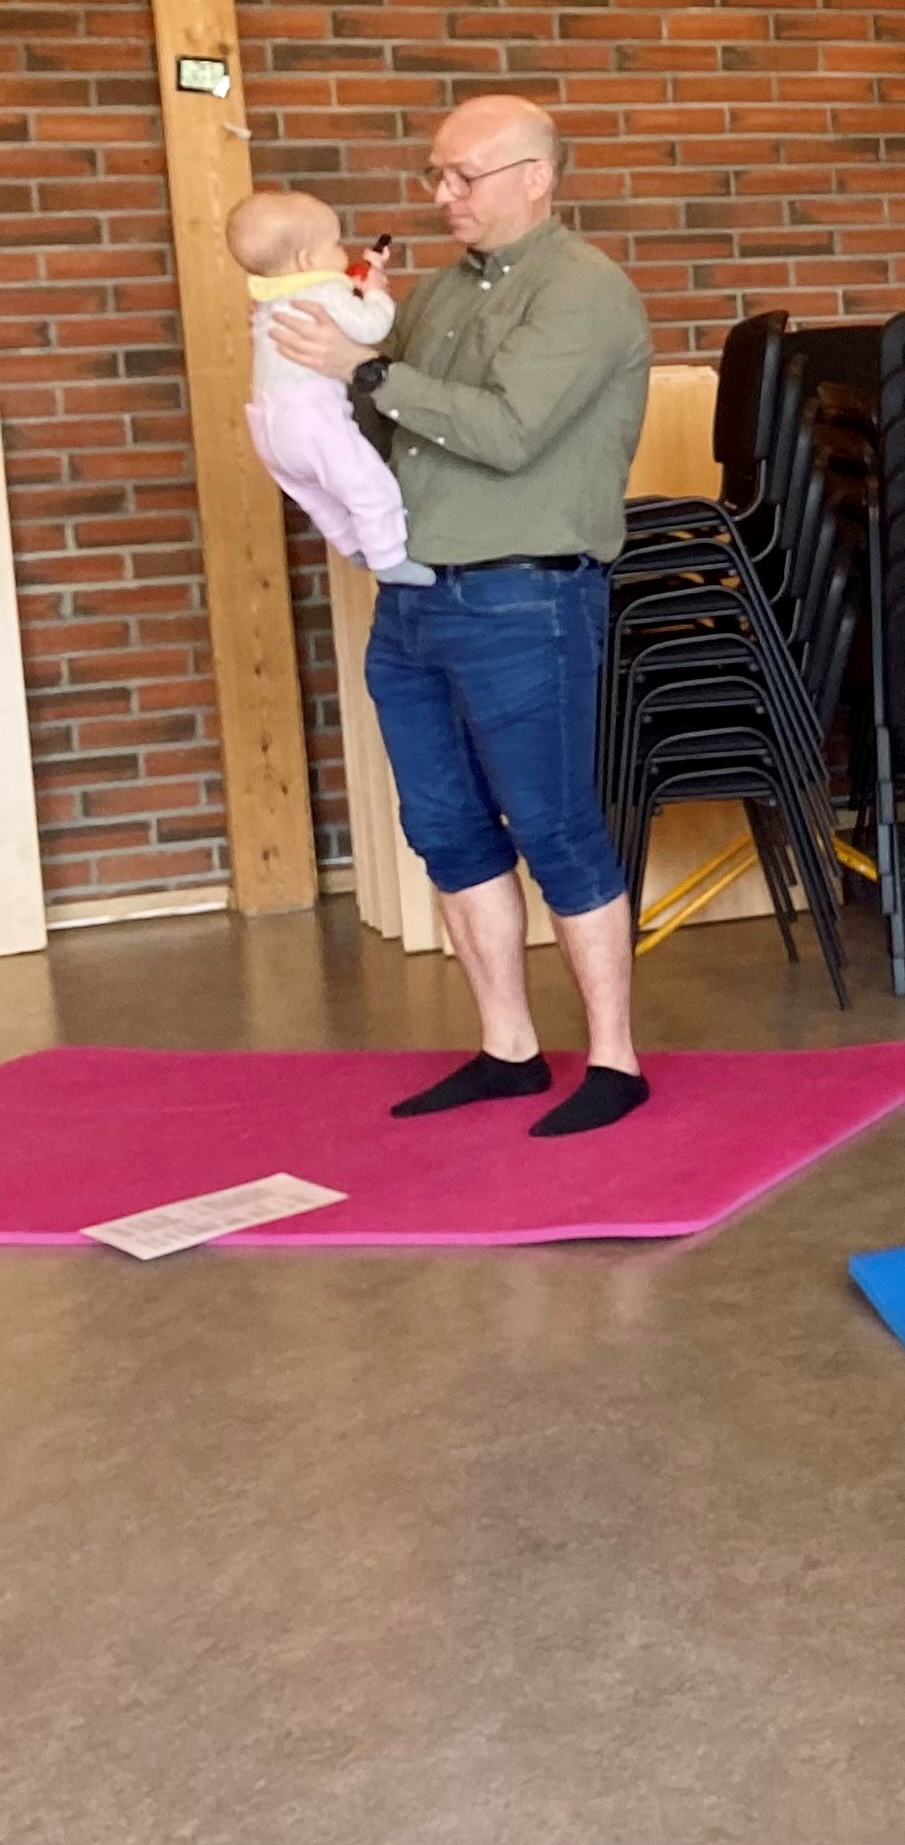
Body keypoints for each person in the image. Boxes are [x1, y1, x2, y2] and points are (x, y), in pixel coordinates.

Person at [271, 95, 660, 1137]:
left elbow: (508, 431)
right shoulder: (437, 295)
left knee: (554, 825)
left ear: (537, 176)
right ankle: (508, 1049)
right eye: (435, 174)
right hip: (411, 599)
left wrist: (367, 366)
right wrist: (318, 366)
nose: (442, 194)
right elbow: (382, 425)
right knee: (442, 826)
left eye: (462, 175)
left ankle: (614, 1060)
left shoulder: (584, 290)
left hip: (525, 597)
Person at [231, 189, 430, 588]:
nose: (342, 253)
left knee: (315, 493)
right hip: (311, 418)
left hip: (268, 424)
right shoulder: (323, 292)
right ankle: (388, 558)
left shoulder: (269, 301)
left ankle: (351, 544)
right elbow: (371, 327)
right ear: (307, 260)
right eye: (336, 245)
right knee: (369, 484)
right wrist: (375, 292)